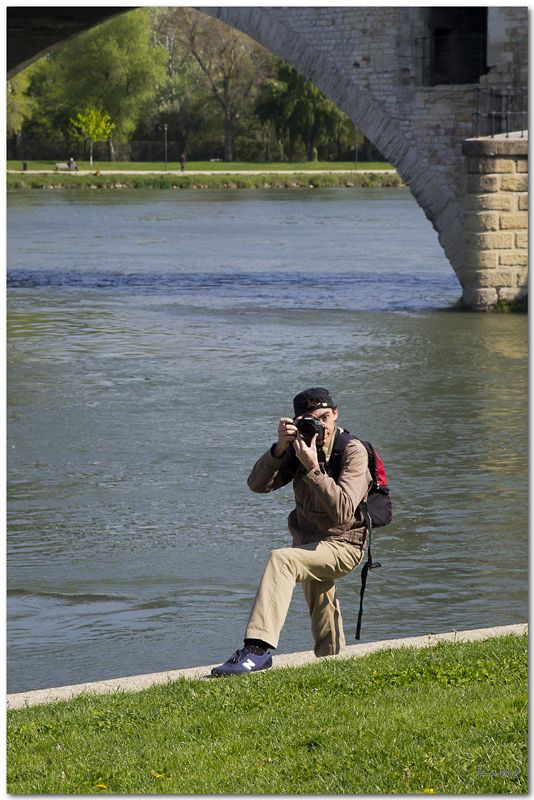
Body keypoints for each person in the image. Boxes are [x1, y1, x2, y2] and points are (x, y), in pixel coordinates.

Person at [211, 387, 371, 677]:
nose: (320, 426)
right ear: (297, 421)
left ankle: (257, 650)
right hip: (311, 542)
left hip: (345, 545)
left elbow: (344, 511)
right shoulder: (298, 447)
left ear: (336, 414)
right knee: (322, 604)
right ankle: (332, 664)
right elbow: (258, 485)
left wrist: (313, 469)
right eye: (311, 420)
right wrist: (279, 449)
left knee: (282, 559)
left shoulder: (351, 450)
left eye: (325, 417)